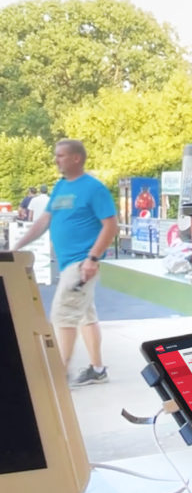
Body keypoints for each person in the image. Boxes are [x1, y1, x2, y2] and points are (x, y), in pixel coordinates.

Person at [11, 139, 117, 385]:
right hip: (69, 262)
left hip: (81, 264)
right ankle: (97, 369)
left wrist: (92, 258)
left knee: (63, 315)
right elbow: (44, 221)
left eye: (61, 155)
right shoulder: (60, 187)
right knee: (84, 316)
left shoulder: (93, 188)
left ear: (76, 158)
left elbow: (110, 225)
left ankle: (59, 374)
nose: (56, 159)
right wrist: (16, 246)